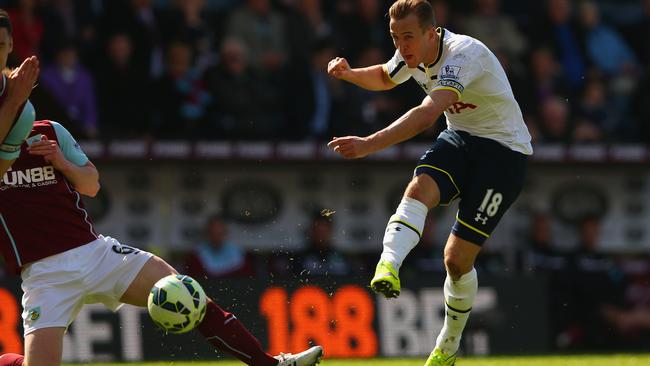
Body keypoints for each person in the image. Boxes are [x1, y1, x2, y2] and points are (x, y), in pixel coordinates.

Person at [0, 123, 323, 365]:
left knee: (187, 293)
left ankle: (271, 365)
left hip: (96, 253)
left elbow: (92, 185)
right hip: (45, 276)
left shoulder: (49, 132)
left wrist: (62, 163)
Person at [326, 1, 532, 365]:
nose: (401, 45)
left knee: (455, 260)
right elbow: (387, 77)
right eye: (395, 37)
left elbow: (425, 115)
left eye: (407, 37)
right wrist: (350, 73)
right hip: (463, 139)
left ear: (431, 33)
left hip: (504, 154)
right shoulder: (412, 52)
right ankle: (388, 265)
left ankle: (447, 348)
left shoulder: (462, 55)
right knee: (419, 188)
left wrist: (368, 144)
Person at [0, 9, 38, 179]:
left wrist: (14, 103)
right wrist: (13, 103)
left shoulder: (24, 112)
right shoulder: (17, 102)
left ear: (11, 45)